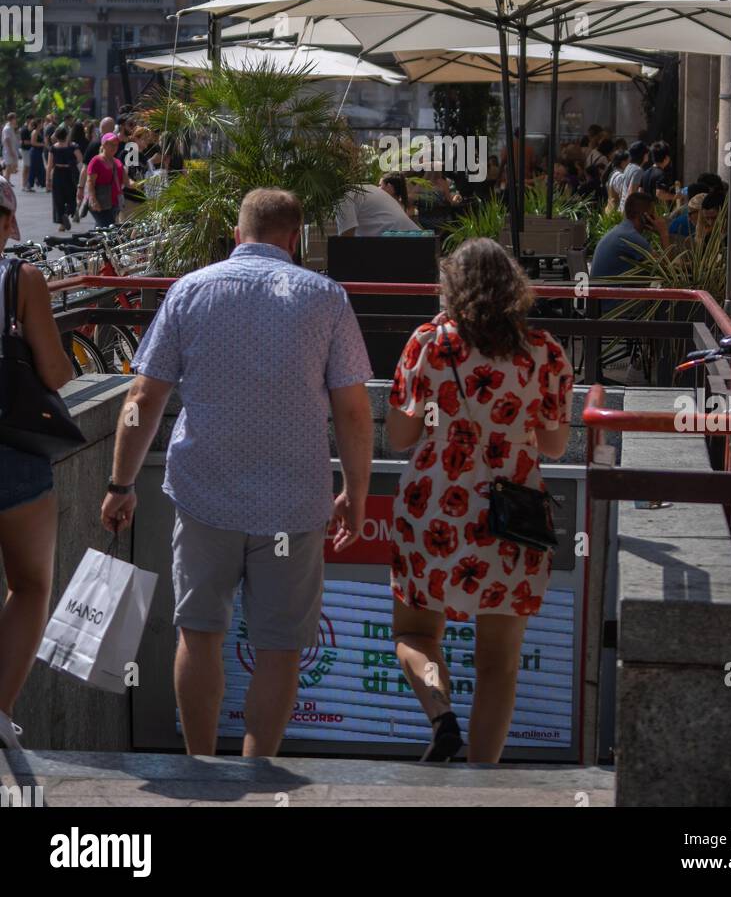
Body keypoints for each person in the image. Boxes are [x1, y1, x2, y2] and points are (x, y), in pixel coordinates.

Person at [100, 188, 374, 758]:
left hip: (207, 502)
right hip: (290, 512)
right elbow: (352, 409)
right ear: (294, 237)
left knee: (199, 634)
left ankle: (202, 765)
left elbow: (142, 397)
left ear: (237, 233)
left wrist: (121, 483)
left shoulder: (190, 291)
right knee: (278, 649)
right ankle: (258, 772)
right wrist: (355, 489)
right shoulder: (326, 298)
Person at [386, 238, 573, 763]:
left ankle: (442, 716)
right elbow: (557, 445)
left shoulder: (428, 342)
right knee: (499, 663)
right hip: (511, 517)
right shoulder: (544, 350)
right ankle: (481, 777)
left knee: (415, 632)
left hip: (433, 505)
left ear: (451, 285)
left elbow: (400, 436)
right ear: (514, 286)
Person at [0, 177, 75, 749]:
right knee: (29, 585)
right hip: (12, 452)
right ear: (7, 222)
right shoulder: (20, 279)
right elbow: (55, 374)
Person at [590, 192, 671, 286]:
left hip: (602, 296)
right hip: (614, 298)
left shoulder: (622, 230)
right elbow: (665, 269)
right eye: (653, 213)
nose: (656, 217)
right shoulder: (630, 236)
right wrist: (663, 233)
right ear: (644, 216)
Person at [335, 182, 422, 237]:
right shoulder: (362, 188)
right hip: (416, 239)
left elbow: (346, 241)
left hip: (405, 242)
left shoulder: (342, 197)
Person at [45, 125, 83, 233]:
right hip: (69, 173)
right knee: (72, 196)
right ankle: (67, 213)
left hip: (57, 173)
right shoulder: (72, 146)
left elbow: (49, 165)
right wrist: (73, 163)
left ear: (56, 136)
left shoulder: (53, 148)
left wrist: (47, 180)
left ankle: (62, 223)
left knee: (58, 199)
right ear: (66, 135)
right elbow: (80, 159)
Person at [85, 132, 127, 230]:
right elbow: (90, 181)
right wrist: (93, 200)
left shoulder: (117, 162)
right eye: (111, 144)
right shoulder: (96, 161)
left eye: (116, 145)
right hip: (100, 202)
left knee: (101, 229)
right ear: (104, 144)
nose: (114, 147)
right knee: (108, 228)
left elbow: (126, 182)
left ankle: (91, 243)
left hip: (113, 203)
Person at [617, 141, 649, 208]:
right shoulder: (638, 171)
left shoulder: (629, 166)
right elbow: (632, 194)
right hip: (629, 211)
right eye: (647, 152)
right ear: (643, 154)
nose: (648, 154)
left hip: (622, 207)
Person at [28, 118, 46, 191]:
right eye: (42, 123)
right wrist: (42, 144)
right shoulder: (35, 132)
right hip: (35, 152)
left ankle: (41, 183)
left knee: (40, 168)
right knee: (33, 168)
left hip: (38, 152)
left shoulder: (39, 132)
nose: (43, 124)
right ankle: (30, 184)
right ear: (38, 124)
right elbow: (33, 142)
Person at [1, 114, 19, 179]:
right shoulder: (7, 128)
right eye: (15, 118)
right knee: (9, 167)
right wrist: (11, 150)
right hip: (8, 150)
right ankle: (6, 180)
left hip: (11, 149)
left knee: (11, 167)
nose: (16, 120)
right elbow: (7, 139)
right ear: (12, 119)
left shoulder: (11, 127)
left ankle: (6, 180)